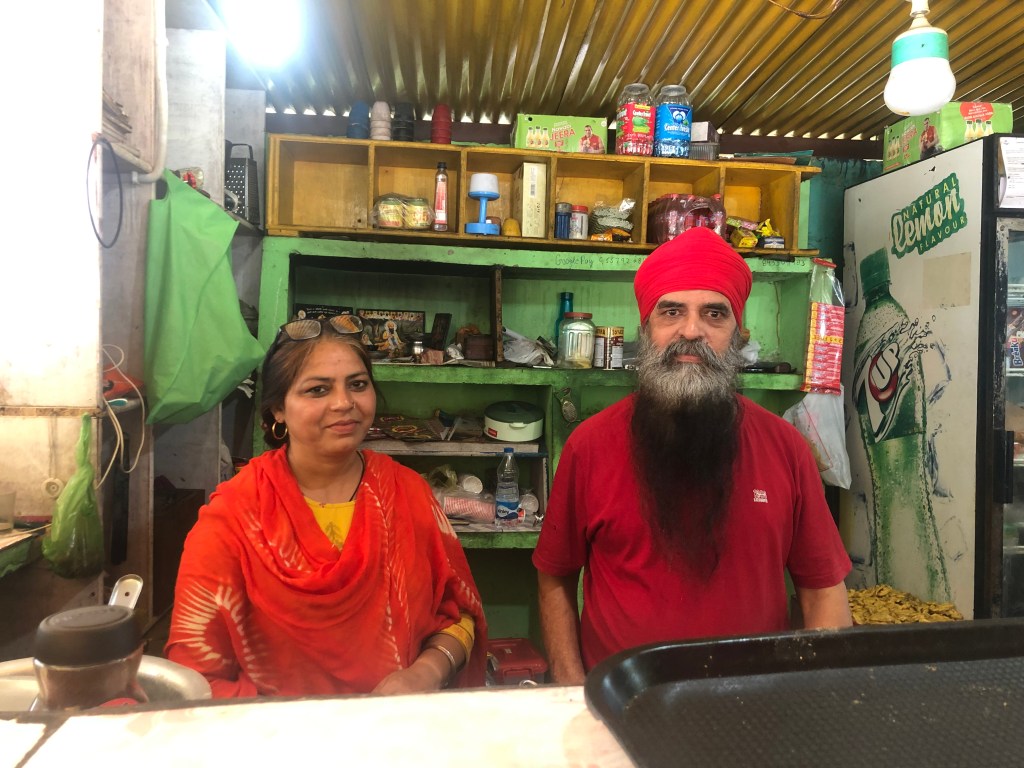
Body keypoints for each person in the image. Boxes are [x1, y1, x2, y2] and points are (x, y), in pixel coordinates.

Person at [532, 226, 852, 684]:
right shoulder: (589, 446)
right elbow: (555, 577)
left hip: (754, 713)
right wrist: (570, 685)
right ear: (647, 329)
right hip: (622, 709)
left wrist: (818, 697)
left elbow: (822, 592)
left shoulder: (786, 449)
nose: (691, 330)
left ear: (738, 335)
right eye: (672, 311)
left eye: (714, 314)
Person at [165, 314, 487, 697]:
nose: (344, 403)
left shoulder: (407, 493)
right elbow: (195, 680)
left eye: (358, 384)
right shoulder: (234, 518)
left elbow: (458, 615)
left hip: (393, 737)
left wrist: (427, 672)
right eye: (317, 390)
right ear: (278, 410)